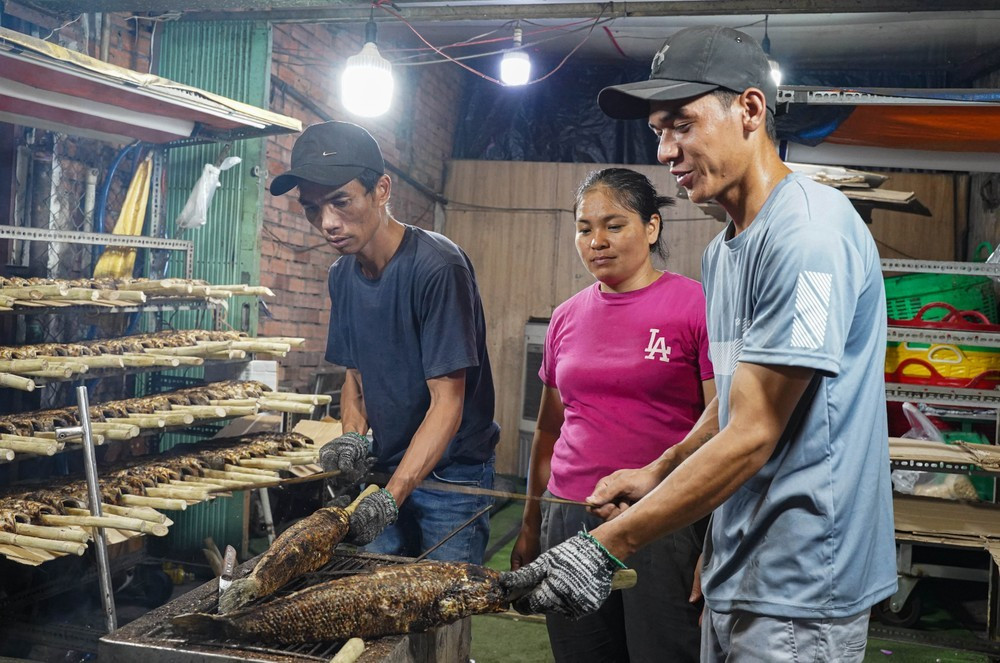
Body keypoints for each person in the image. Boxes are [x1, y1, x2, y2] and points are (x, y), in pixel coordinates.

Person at [501, 26, 896, 662]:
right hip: (740, 563)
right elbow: (735, 400)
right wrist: (661, 468)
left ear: (749, 109)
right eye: (659, 130)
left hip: (802, 578)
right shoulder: (725, 252)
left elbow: (756, 430)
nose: (665, 151)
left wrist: (612, 543)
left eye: (682, 124)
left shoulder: (810, 237)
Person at [269, 121, 500, 564]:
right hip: (386, 468)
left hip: (451, 479)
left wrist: (390, 498)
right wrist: (353, 438)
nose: (327, 223)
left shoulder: (438, 268)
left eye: (340, 201)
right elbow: (354, 377)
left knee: (438, 613)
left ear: (382, 189)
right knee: (375, 608)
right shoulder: (342, 275)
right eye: (312, 208)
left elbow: (448, 403)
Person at [510, 167, 714, 662]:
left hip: (663, 520)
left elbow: (725, 423)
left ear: (652, 227)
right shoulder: (566, 316)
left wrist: (715, 542)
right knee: (580, 653)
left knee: (662, 652)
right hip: (569, 516)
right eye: (584, 228)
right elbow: (550, 429)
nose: (597, 241)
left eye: (614, 225)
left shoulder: (695, 305)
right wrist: (532, 522)